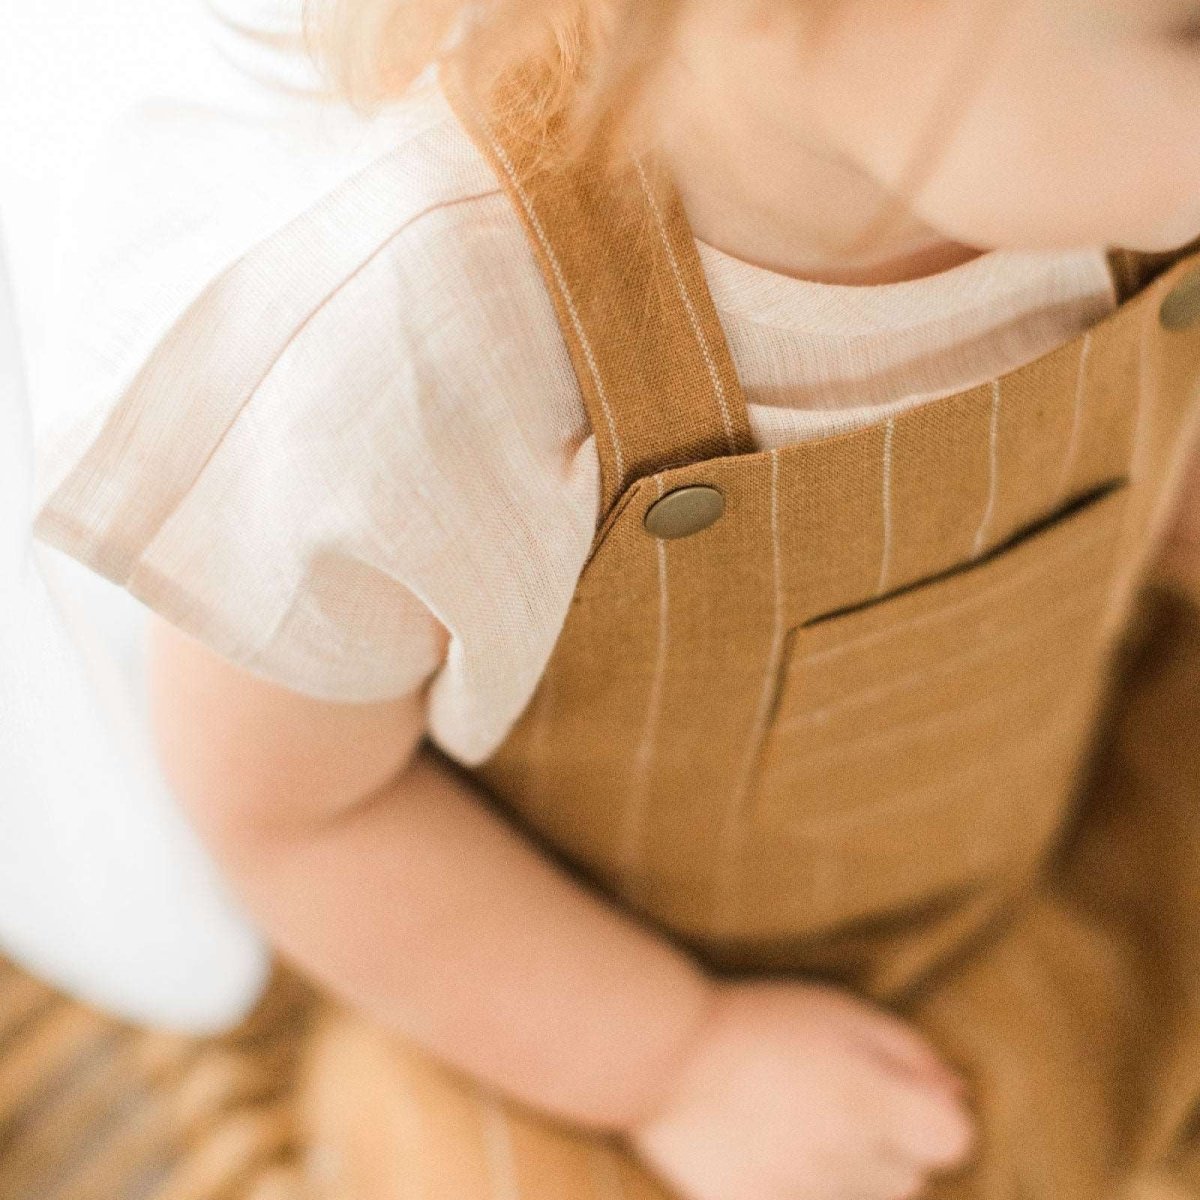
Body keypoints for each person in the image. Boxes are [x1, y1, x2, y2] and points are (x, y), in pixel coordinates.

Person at [27, 1, 1200, 1198]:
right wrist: (676, 1062)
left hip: (1052, 837)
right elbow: (296, 817)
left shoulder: (1112, 179)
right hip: (576, 990)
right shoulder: (416, 340)